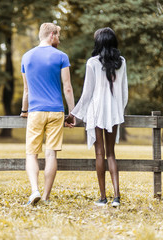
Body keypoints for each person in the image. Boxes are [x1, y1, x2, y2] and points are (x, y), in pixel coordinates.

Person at [70, 27, 128, 207]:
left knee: (99, 153)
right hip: (114, 112)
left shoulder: (92, 62)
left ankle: (103, 198)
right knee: (111, 154)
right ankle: (116, 197)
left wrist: (74, 114)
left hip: (96, 111)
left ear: (99, 42)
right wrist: (119, 109)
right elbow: (124, 91)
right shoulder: (122, 62)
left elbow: (87, 93)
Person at [20, 22, 75, 206]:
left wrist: (23, 111)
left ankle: (34, 190)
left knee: (31, 154)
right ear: (52, 35)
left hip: (35, 111)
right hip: (56, 111)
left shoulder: (26, 57)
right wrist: (72, 113)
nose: (58, 39)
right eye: (58, 35)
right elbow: (67, 88)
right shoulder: (61, 56)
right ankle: (45, 196)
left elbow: (26, 90)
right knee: (50, 154)